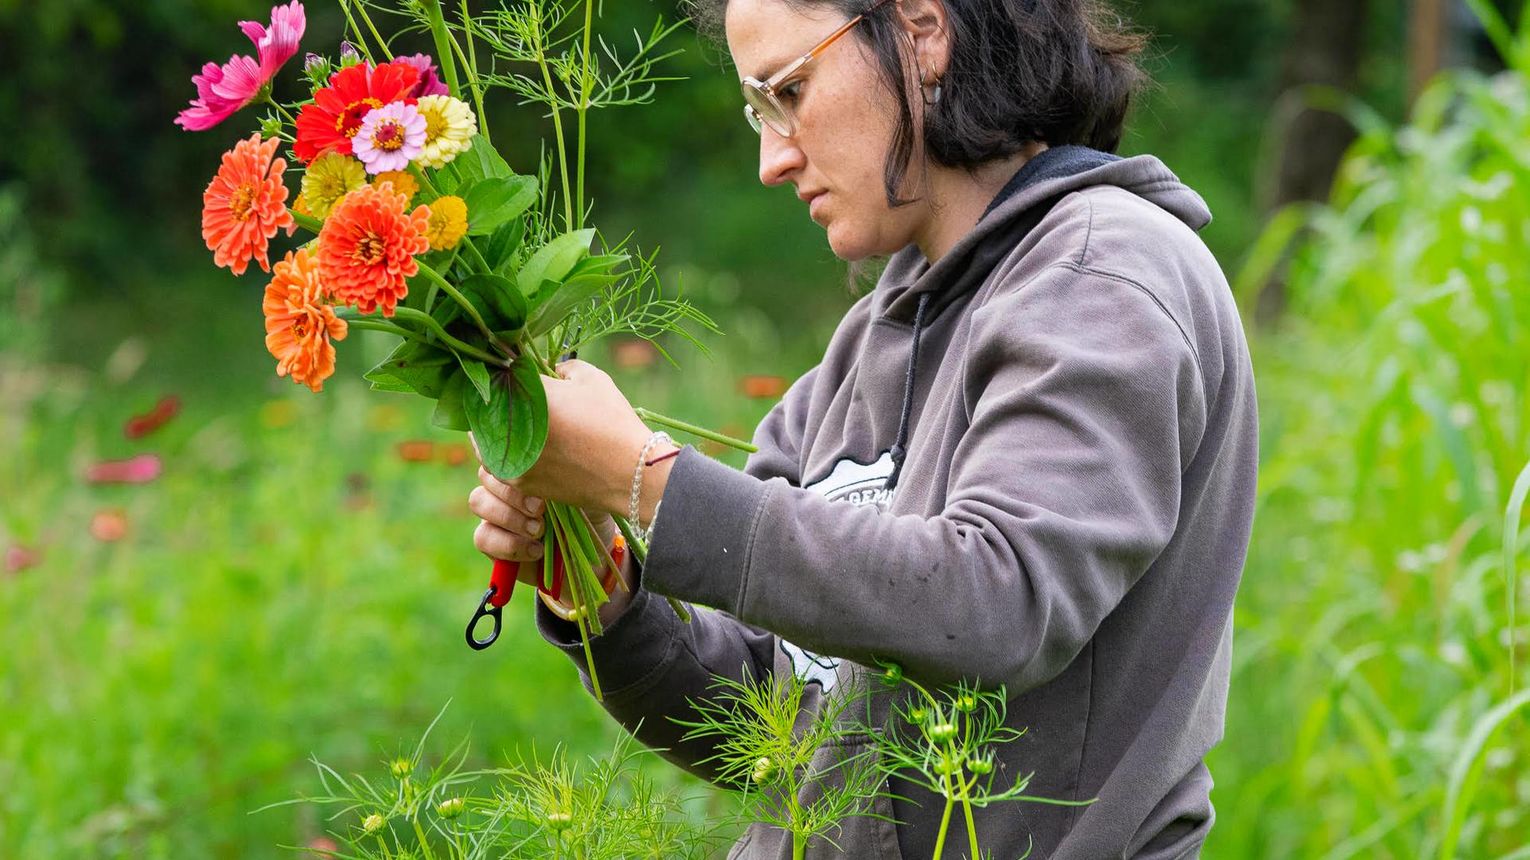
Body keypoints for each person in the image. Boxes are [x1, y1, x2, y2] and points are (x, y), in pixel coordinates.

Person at [466, 0, 1259, 855]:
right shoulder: (866, 343)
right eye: (758, 112)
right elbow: (774, 724)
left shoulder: (1103, 272)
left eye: (790, 90)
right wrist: (602, 586)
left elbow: (998, 602)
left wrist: (645, 480)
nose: (772, 160)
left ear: (922, 31)